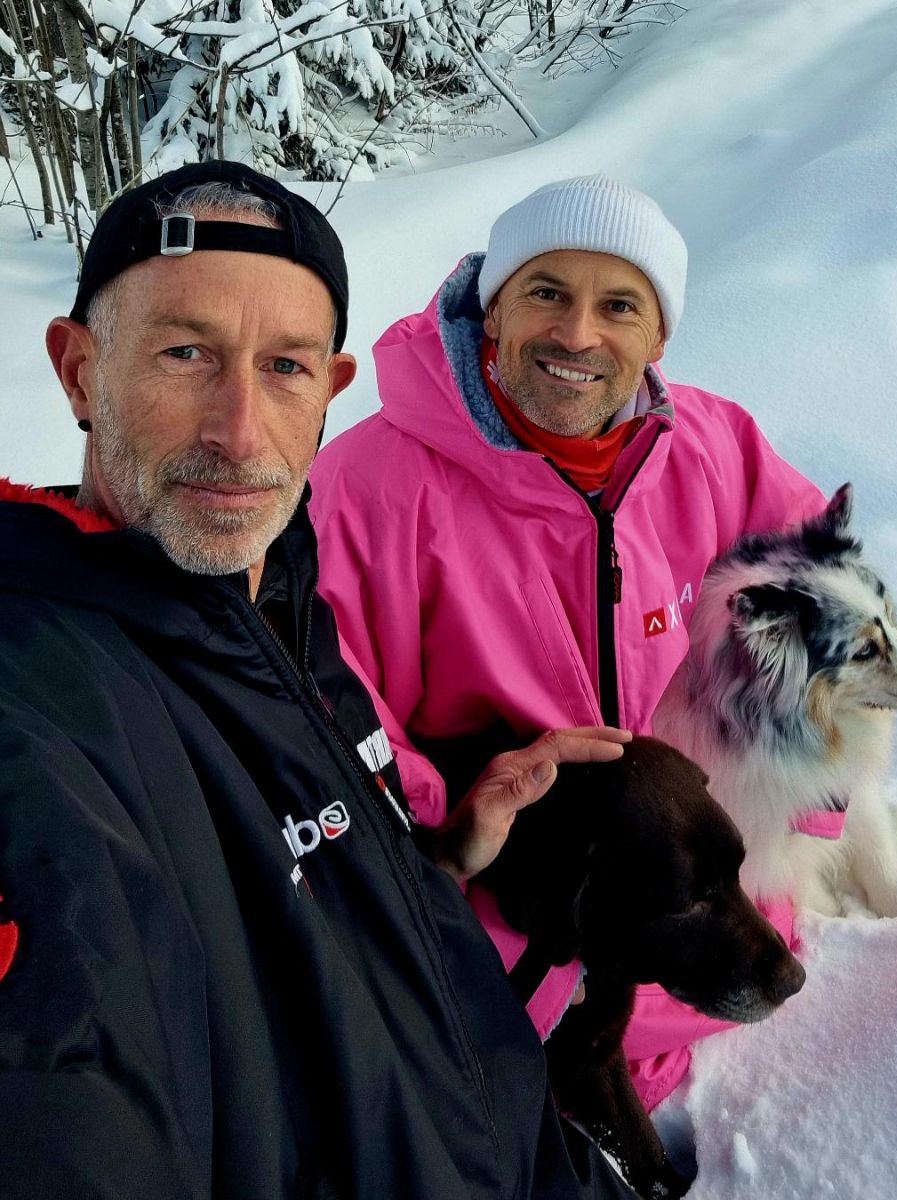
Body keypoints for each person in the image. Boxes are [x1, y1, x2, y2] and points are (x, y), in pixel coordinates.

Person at [0, 160, 643, 1200]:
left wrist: (438, 859)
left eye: (286, 367)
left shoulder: (279, 601)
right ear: (78, 372)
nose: (240, 431)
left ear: (331, 392)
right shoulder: (39, 700)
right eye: (183, 353)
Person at [307, 174, 827, 1112]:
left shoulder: (713, 448)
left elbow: (823, 610)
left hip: (686, 870)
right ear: (493, 309)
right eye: (546, 292)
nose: (577, 335)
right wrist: (453, 838)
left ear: (658, 338)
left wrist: (797, 792)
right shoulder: (368, 486)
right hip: (504, 899)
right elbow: (320, 698)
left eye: (619, 305)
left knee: (746, 959)